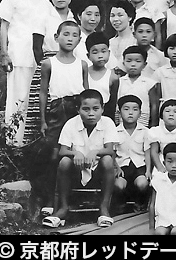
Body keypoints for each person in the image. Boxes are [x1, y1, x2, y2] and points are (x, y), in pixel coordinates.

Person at [0, 0, 52, 145]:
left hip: (42, 60)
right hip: (18, 58)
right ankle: (14, 146)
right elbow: (4, 25)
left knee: (38, 104)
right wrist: (4, 54)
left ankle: (35, 147)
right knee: (18, 102)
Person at [42, 89, 118, 229]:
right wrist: (76, 153)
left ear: (102, 109)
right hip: (76, 171)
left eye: (95, 109)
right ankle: (63, 208)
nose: (91, 113)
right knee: (64, 161)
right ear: (78, 110)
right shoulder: (71, 124)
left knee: (107, 160)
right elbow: (62, 151)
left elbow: (110, 150)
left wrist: (95, 152)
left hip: (98, 172)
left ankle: (104, 209)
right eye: (86, 109)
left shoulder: (107, 123)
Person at [37, 21, 88, 213]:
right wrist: (43, 120)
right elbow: (43, 92)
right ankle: (50, 200)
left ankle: (72, 198)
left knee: (76, 151)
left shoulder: (82, 64)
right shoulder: (49, 63)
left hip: (77, 110)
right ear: (56, 37)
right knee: (54, 154)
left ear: (79, 40)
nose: (69, 39)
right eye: (65, 34)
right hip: (58, 110)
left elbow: (86, 92)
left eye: (74, 35)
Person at [26, 0, 75, 144]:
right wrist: (48, 65)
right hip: (49, 64)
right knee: (45, 104)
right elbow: (37, 47)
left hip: (70, 65)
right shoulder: (43, 17)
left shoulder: (74, 18)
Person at [114, 95, 151, 210]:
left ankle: (140, 202)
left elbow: (147, 152)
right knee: (119, 185)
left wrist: (149, 170)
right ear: (119, 113)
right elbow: (112, 153)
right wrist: (116, 168)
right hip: (122, 166)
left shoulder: (145, 131)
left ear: (140, 113)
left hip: (140, 165)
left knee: (143, 184)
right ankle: (121, 204)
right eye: (126, 109)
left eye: (135, 109)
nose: (130, 113)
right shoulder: (115, 131)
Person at [117, 45, 160, 128]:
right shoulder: (119, 82)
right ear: (123, 63)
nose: (133, 64)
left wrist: (153, 125)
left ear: (144, 64)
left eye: (137, 61)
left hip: (143, 122)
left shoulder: (149, 83)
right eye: (129, 61)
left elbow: (154, 105)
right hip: (122, 123)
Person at [154, 34, 176, 120]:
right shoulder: (160, 71)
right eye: (171, 48)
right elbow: (158, 95)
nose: (175, 52)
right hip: (165, 108)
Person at [85, 32, 118, 120]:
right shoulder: (84, 73)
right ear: (88, 56)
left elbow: (113, 102)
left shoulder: (113, 77)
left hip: (106, 114)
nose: (100, 56)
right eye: (95, 52)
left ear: (109, 52)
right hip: (87, 113)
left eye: (103, 51)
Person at [108, 0, 137, 68]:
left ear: (130, 17)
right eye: (112, 16)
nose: (115, 19)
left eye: (120, 15)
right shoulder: (109, 42)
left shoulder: (136, 41)